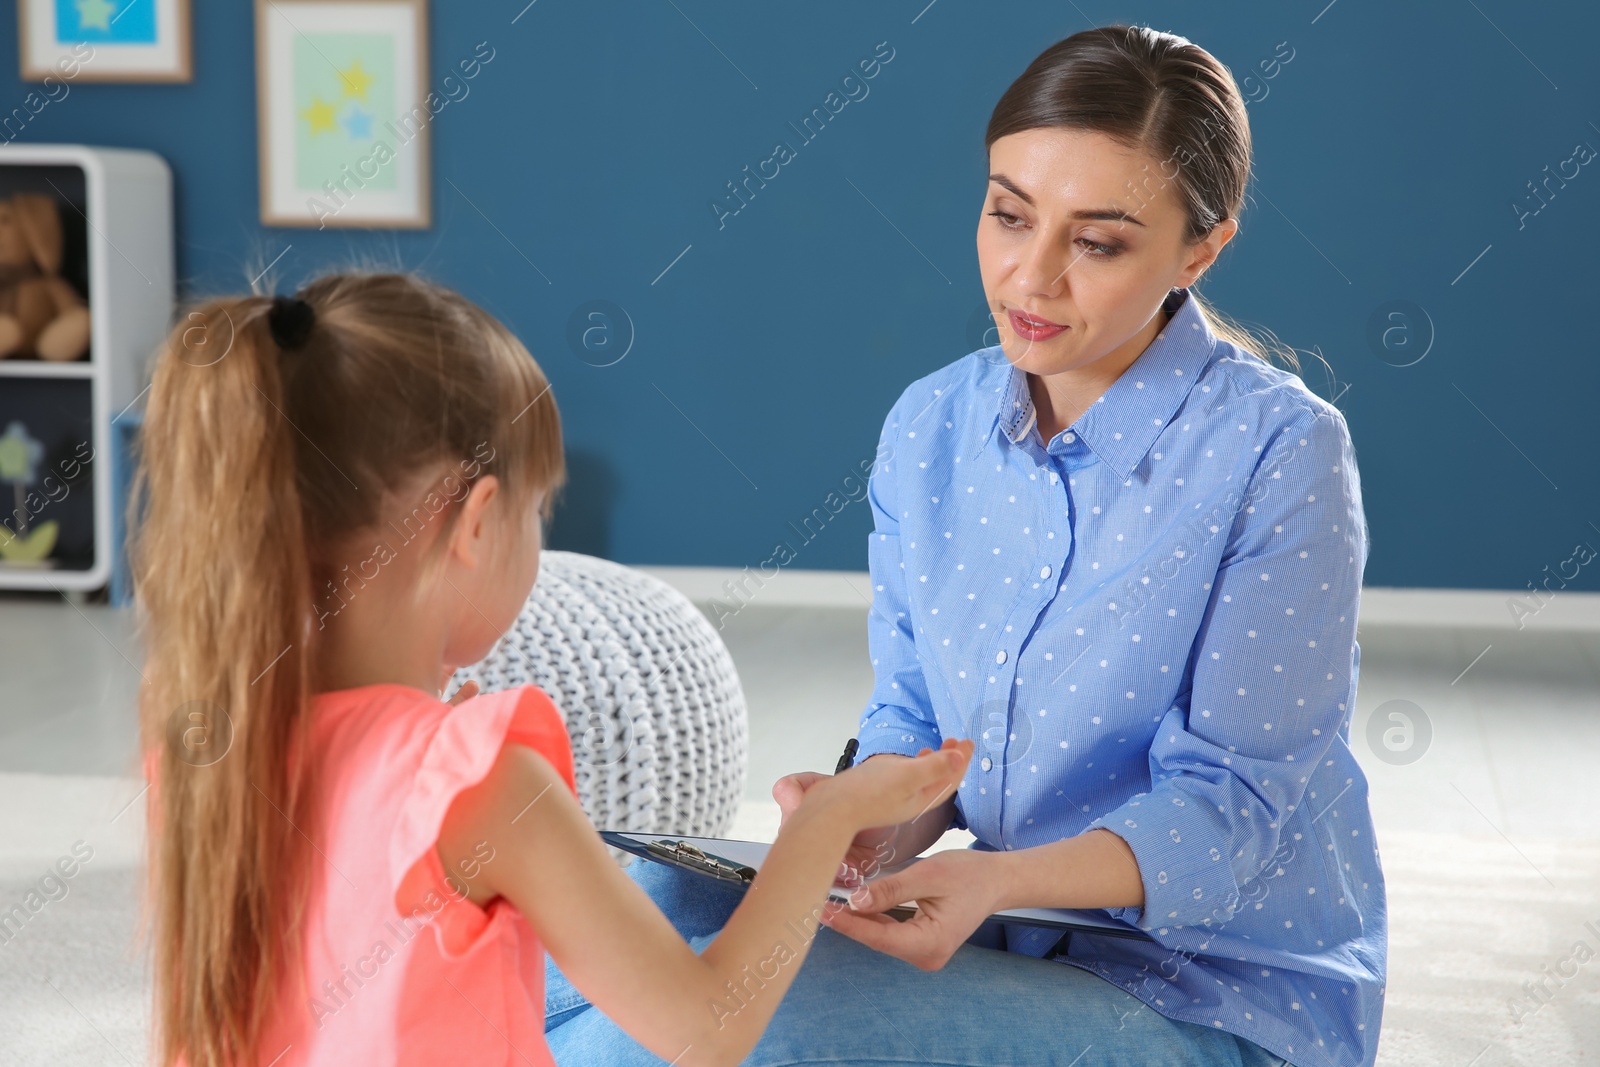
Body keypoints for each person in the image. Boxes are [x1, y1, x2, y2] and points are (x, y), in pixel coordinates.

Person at [543, 24, 1385, 1067]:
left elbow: (1236, 809)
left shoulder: (1281, 451)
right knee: (595, 922)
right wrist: (866, 824)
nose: (1029, 278)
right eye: (1007, 215)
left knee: (713, 1030)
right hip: (997, 931)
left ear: (1199, 250)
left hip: (1207, 993)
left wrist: (994, 877)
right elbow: (919, 715)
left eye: (1097, 240)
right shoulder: (929, 424)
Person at [129, 268, 975, 1067]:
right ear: (475, 523)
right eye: (539, 509)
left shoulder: (210, 749)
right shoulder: (480, 780)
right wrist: (826, 821)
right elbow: (706, 1027)